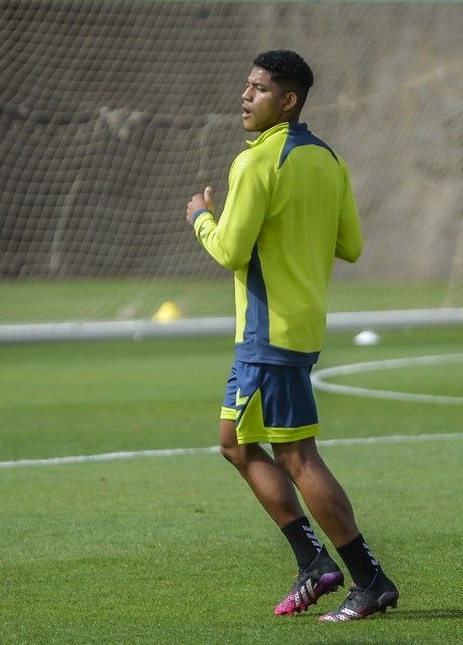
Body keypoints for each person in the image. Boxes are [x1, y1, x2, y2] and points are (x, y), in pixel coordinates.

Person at [185, 49, 399, 622]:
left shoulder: (255, 164)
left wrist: (200, 216)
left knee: (298, 458)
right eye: (246, 86)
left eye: (259, 89)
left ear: (289, 100)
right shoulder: (328, 160)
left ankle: (368, 578)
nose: (245, 96)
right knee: (234, 443)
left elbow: (230, 250)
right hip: (296, 328)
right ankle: (314, 563)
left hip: (268, 332)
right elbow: (349, 246)